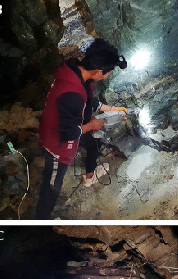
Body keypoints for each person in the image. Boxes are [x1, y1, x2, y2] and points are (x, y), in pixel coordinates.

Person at [36, 38, 128, 219]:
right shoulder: (72, 92)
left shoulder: (78, 73)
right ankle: (40, 222)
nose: (106, 77)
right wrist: (91, 125)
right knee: (52, 186)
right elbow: (68, 132)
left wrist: (113, 109)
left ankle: (89, 177)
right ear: (98, 71)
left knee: (94, 142)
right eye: (107, 74)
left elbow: (89, 101)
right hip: (56, 144)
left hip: (72, 127)